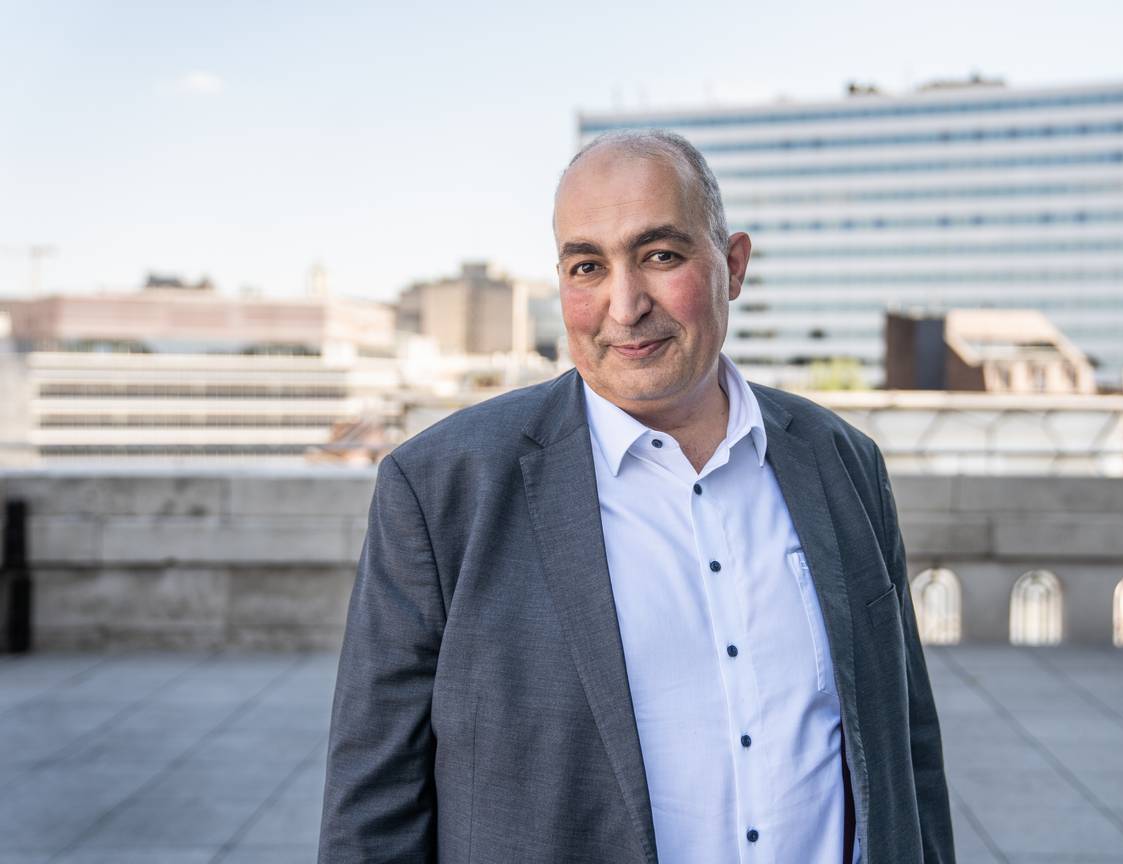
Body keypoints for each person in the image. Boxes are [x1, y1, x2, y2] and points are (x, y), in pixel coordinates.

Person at [319, 129, 955, 863]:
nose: (624, 306)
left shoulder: (843, 463)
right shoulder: (441, 489)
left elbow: (907, 754)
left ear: (734, 265)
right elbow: (374, 810)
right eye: (587, 266)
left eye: (660, 256)